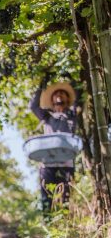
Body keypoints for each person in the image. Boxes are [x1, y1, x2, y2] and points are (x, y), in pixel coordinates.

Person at [29, 80, 78, 213]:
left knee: (65, 196)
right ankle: (49, 224)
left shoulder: (72, 115)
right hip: (47, 163)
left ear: (67, 98)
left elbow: (79, 102)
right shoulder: (46, 116)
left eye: (62, 93)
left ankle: (65, 224)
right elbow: (33, 106)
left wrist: (73, 84)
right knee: (46, 197)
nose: (59, 95)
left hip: (66, 163)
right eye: (56, 93)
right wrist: (41, 86)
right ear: (52, 99)